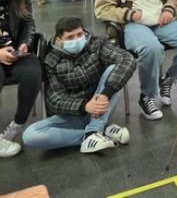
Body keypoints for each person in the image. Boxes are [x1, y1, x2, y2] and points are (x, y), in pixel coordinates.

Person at [22, 17, 135, 154]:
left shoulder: (97, 44)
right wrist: (84, 106)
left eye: (79, 35)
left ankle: (94, 129)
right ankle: (95, 134)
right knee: (30, 135)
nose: (76, 39)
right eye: (70, 37)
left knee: (114, 70)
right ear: (59, 40)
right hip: (75, 113)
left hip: (101, 107)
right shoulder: (51, 61)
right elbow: (54, 100)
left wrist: (105, 94)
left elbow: (127, 59)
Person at [0, 0, 41, 158]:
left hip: (15, 51)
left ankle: (16, 125)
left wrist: (25, 44)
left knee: (33, 73)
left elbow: (28, 22)